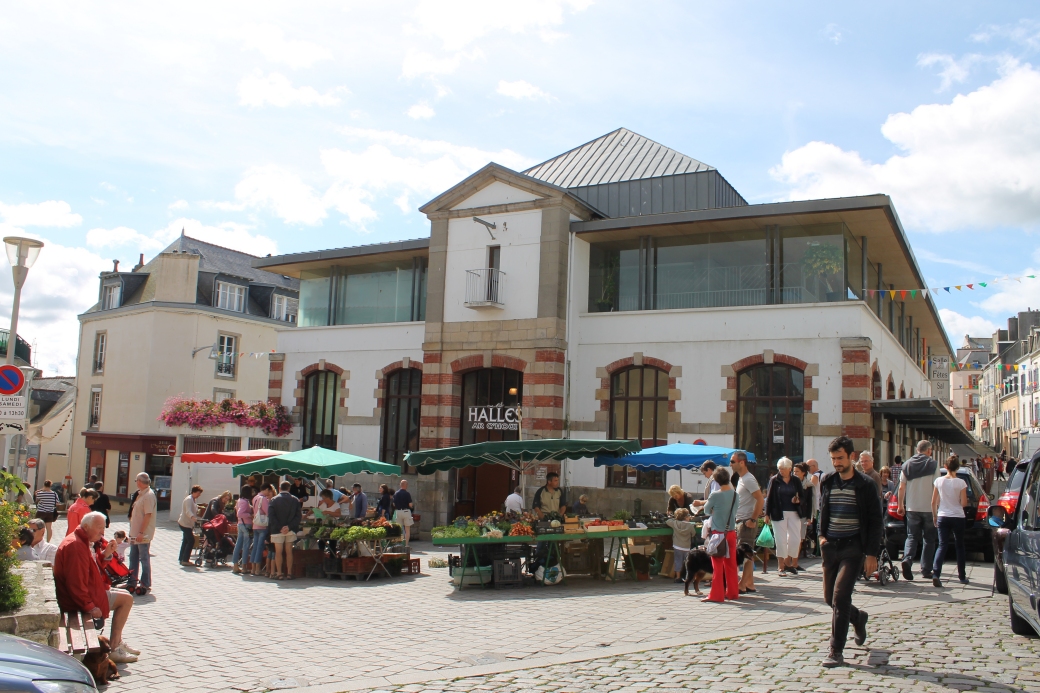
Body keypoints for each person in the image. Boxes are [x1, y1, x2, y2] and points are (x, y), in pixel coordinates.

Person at [819, 436, 882, 668]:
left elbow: (876, 521)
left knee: (841, 596)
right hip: (830, 546)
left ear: (851, 457)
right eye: (833, 458)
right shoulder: (827, 481)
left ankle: (835, 650)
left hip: (853, 547)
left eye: (840, 458)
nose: (836, 463)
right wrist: (821, 536)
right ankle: (859, 617)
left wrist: (872, 554)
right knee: (829, 599)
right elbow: (822, 510)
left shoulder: (865, 485)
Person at [54, 512, 139, 663]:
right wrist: (90, 607)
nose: (102, 532)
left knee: (125, 594)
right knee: (126, 600)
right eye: (99, 528)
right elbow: (76, 583)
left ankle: (117, 643)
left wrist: (106, 554)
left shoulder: (82, 540)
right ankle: (114, 646)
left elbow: (92, 568)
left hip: (88, 590)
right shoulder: (76, 546)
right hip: (77, 598)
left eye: (104, 528)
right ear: (86, 527)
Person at [897, 440, 942, 581]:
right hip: (928, 508)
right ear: (929, 451)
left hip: (912, 507)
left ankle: (907, 559)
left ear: (917, 450)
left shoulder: (907, 465)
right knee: (929, 539)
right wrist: (937, 507)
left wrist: (900, 505)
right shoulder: (933, 464)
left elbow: (901, 487)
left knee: (911, 537)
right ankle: (926, 569)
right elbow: (937, 487)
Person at [702, 467, 739, 603]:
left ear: (716, 480)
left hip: (718, 534)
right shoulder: (735, 494)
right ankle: (733, 593)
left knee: (717, 567)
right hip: (731, 532)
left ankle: (717, 595)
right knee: (731, 565)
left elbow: (706, 510)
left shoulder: (715, 495)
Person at [931, 455, 969, 587]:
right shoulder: (961, 483)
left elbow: (933, 502)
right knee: (959, 545)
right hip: (958, 516)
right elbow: (963, 503)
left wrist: (935, 516)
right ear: (957, 467)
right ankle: (962, 576)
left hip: (943, 515)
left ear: (945, 467)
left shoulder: (938, 481)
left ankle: (936, 573)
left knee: (942, 545)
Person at [765, 457, 806, 576]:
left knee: (795, 539)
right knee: (780, 539)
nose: (781, 471)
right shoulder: (774, 480)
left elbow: (803, 497)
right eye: (779, 469)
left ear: (790, 469)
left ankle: (788, 562)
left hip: (794, 511)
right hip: (778, 512)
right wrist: (767, 514)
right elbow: (769, 497)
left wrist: (798, 500)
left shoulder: (796, 480)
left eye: (783, 469)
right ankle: (781, 566)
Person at [730, 451, 763, 593]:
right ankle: (749, 583)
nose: (730, 464)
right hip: (742, 519)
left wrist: (753, 519)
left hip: (746, 521)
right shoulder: (742, 478)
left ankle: (743, 584)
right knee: (747, 553)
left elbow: (760, 499)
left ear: (741, 462)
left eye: (732, 461)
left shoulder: (748, 479)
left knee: (745, 554)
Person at [126, 473, 156, 596]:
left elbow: (148, 515)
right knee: (133, 557)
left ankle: (145, 583)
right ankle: (131, 582)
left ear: (139, 481)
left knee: (144, 558)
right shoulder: (140, 494)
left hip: (142, 534)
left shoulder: (148, 495)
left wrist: (141, 532)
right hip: (134, 532)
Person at [267, 481, 302, 580]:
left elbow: (271, 516)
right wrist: (289, 527)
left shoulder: (273, 500)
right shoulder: (295, 500)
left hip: (277, 530)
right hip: (290, 529)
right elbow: (298, 516)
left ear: (279, 488)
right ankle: (289, 573)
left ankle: (279, 573)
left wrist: (280, 527)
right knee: (289, 551)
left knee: (278, 552)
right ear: (289, 488)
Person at [666, 508, 697, 583]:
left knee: (678, 561)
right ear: (686, 517)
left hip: (677, 546)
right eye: (688, 515)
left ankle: (678, 577)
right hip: (686, 547)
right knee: (687, 562)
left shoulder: (675, 523)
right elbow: (693, 534)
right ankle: (688, 577)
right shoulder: (690, 526)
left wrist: (673, 518)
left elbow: (667, 521)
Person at [250, 484, 275, 576]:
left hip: (255, 525)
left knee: (255, 547)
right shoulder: (263, 499)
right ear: (267, 489)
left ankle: (253, 568)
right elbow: (267, 512)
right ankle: (257, 569)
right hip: (262, 526)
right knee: (260, 547)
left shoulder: (255, 497)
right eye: (269, 490)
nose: (269, 493)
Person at [177, 485, 204, 566]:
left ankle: (182, 558)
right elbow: (188, 511)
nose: (199, 495)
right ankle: (185, 560)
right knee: (191, 540)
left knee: (185, 540)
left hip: (187, 524)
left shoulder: (193, 499)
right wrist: (193, 517)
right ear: (194, 492)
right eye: (199, 493)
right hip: (185, 523)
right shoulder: (189, 499)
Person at [232, 486, 255, 575]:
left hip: (240, 524)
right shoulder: (245, 502)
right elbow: (240, 513)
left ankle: (235, 565)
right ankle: (244, 566)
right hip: (247, 525)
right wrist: (250, 515)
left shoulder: (239, 501)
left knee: (238, 545)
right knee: (246, 546)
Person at [393, 480, 415, 546]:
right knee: (407, 529)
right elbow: (410, 504)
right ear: (406, 485)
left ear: (400, 485)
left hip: (398, 511)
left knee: (399, 529)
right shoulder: (407, 494)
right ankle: (406, 544)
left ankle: (398, 543)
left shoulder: (396, 493)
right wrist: (412, 506)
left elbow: (394, 504)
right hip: (406, 511)